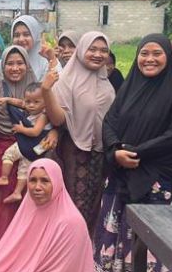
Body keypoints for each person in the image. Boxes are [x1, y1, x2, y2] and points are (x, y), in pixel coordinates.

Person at [93, 34, 172, 272]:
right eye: (144, 53)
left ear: (167, 57)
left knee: (147, 238)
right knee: (110, 228)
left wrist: (135, 152)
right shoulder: (130, 87)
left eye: (157, 54)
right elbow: (110, 121)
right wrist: (115, 150)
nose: (150, 59)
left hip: (158, 176)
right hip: (122, 170)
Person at [0, 46, 57, 253]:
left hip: (32, 152)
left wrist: (55, 131)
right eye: (9, 64)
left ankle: (23, 251)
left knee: (28, 200)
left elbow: (55, 116)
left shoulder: (40, 91)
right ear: (2, 67)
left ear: (27, 65)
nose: (15, 68)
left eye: (20, 63)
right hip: (1, 152)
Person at [41, 31, 116, 229]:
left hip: (99, 155)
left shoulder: (106, 84)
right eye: (92, 49)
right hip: (74, 153)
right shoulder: (66, 80)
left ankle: (85, 246)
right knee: (74, 208)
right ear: (82, 50)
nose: (98, 54)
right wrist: (46, 91)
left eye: (103, 50)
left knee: (94, 208)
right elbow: (58, 119)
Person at [0, 83, 52, 204]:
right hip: (34, 149)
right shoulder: (31, 109)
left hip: (30, 144)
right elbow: (20, 103)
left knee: (9, 155)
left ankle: (4, 177)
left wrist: (21, 129)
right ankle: (17, 192)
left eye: (36, 102)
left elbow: (35, 132)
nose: (31, 105)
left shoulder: (43, 115)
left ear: (45, 102)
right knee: (23, 169)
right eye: (28, 102)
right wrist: (7, 99)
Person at [10, 14, 53, 80]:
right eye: (16, 35)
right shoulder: (4, 63)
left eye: (26, 34)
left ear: (35, 35)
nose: (21, 39)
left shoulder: (47, 63)